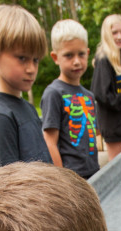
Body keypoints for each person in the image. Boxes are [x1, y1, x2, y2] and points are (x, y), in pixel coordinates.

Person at [0, 4, 52, 169]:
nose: (31, 69)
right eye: (22, 58)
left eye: (35, 60)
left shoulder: (26, 107)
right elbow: (9, 186)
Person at [41, 19, 100, 179]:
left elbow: (95, 133)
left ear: (87, 54)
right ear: (55, 57)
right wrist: (63, 180)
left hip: (94, 170)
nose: (76, 61)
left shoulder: (89, 95)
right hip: (72, 177)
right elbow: (50, 142)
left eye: (81, 54)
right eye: (68, 55)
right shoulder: (53, 93)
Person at [91, 14, 121, 161]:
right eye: (115, 33)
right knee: (118, 169)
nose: (119, 37)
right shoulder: (104, 59)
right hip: (112, 126)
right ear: (107, 35)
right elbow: (101, 94)